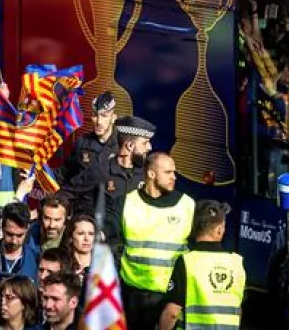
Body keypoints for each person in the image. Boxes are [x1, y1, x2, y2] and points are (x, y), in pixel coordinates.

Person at [120, 151, 195, 330]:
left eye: (174, 172)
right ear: (151, 174)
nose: (174, 177)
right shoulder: (128, 202)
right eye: (168, 172)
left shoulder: (187, 205)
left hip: (169, 296)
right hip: (133, 294)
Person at [68, 115, 154, 246]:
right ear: (130, 146)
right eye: (145, 143)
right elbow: (69, 192)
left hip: (134, 251)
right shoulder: (100, 171)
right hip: (104, 250)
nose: (149, 147)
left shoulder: (146, 175)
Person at [159, 200, 245, 330]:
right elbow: (237, 310)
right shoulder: (237, 263)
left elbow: (172, 312)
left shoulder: (186, 262)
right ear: (220, 229)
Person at [63, 91, 119, 184]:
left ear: (113, 118)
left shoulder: (122, 145)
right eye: (95, 115)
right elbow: (65, 172)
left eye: (104, 116)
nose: (99, 121)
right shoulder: (82, 142)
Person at [0, 202, 41, 282]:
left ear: (27, 229)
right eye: (9, 234)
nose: (14, 241)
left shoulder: (36, 258)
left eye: (19, 235)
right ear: (2, 227)